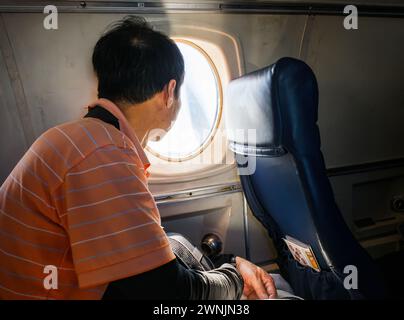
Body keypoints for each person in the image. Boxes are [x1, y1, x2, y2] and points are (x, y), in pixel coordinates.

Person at [0, 16, 277, 300]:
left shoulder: (83, 139)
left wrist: (226, 263)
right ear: (169, 92)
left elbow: (148, 257)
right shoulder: (104, 155)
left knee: (177, 242)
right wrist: (234, 279)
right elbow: (167, 293)